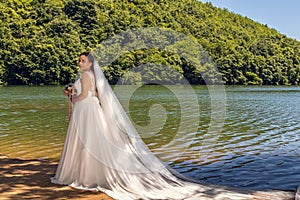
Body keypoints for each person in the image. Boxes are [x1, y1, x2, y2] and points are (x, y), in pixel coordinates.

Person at [51, 52, 257, 199]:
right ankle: (88, 172)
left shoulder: (86, 76)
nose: (80, 63)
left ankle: (84, 174)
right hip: (90, 110)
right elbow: (95, 94)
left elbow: (86, 95)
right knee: (91, 142)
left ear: (90, 64)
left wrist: (73, 98)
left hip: (86, 110)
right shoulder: (91, 76)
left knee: (87, 142)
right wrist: (74, 92)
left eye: (83, 60)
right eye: (80, 61)